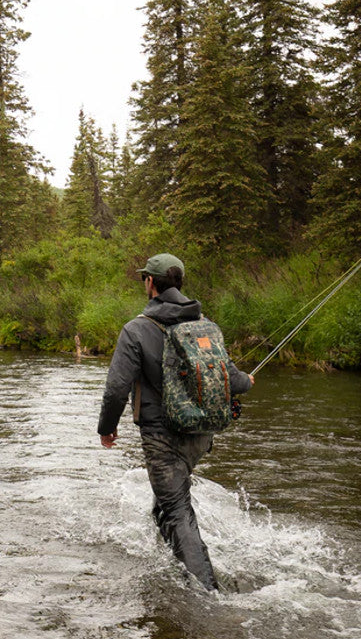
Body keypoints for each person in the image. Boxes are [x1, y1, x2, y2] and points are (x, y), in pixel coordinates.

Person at [97, 253, 253, 591]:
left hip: (162, 438)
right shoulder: (204, 325)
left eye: (144, 279)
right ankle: (172, 571)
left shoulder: (136, 329)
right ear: (178, 283)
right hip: (200, 435)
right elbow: (233, 379)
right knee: (167, 504)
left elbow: (116, 389)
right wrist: (248, 381)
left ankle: (208, 593)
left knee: (178, 511)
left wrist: (106, 428)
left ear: (150, 283)